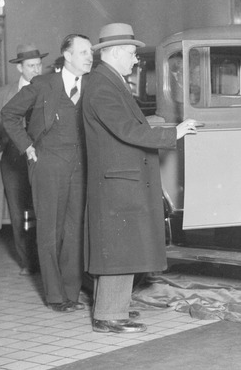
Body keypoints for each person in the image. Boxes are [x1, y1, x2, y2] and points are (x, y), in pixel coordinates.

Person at [82, 23, 197, 333]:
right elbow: (126, 129)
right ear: (116, 52)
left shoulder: (108, 81)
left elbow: (126, 124)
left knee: (124, 248)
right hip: (118, 181)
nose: (135, 60)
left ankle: (114, 309)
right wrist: (174, 131)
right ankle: (108, 316)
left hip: (122, 178)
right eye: (132, 54)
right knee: (118, 250)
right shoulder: (101, 84)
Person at [2, 34, 93, 312]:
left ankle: (71, 293)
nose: (90, 57)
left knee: (75, 231)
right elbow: (8, 114)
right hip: (48, 165)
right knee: (50, 231)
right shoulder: (43, 84)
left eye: (91, 52)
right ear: (67, 55)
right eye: (83, 52)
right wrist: (27, 146)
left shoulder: (92, 85)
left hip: (79, 167)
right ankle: (55, 296)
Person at [0, 44, 47, 275]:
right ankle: (28, 262)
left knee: (44, 208)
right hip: (14, 160)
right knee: (20, 212)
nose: (36, 70)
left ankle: (46, 259)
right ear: (20, 67)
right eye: (30, 66)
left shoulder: (49, 89)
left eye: (39, 65)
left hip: (43, 158)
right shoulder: (2, 95)